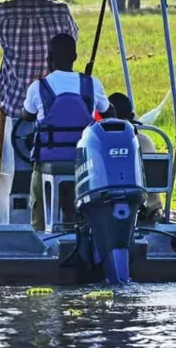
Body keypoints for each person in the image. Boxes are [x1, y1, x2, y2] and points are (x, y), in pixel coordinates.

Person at [0, 0, 78, 224]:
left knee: (7, 175)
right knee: (57, 173)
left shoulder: (1, 11)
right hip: (54, 112)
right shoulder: (61, 12)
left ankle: (2, 228)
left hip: (14, 109)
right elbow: (69, 42)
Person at [22, 33, 113, 230]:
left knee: (38, 194)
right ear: (75, 57)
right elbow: (109, 113)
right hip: (84, 160)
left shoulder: (38, 87)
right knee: (78, 200)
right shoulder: (91, 84)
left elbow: (27, 116)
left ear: (48, 57)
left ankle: (40, 229)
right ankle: (76, 227)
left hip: (49, 160)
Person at [108, 92, 164, 221]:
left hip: (113, 206)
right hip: (148, 208)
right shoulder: (145, 140)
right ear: (132, 116)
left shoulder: (103, 144)